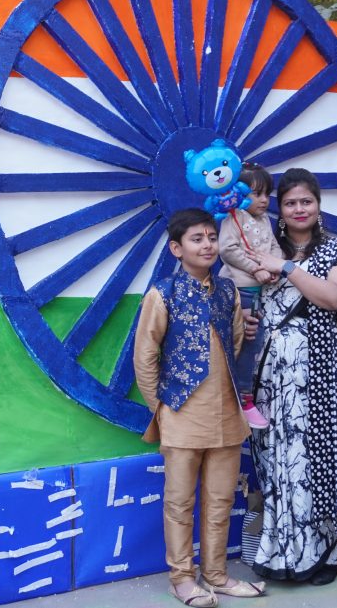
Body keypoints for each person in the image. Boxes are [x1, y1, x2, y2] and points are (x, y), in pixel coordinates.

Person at [247, 168, 337, 585]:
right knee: (276, 461)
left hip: (318, 376)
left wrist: (287, 267)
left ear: (318, 205)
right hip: (270, 375)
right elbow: (249, 297)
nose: (298, 209)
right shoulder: (263, 249)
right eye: (290, 203)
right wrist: (247, 320)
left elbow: (334, 297)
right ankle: (278, 553)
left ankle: (324, 552)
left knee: (315, 460)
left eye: (306, 201)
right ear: (280, 208)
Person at [133, 208, 266, 606]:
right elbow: (145, 357)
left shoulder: (228, 291)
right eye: (197, 239)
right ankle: (181, 579)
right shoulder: (162, 294)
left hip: (226, 413)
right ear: (177, 248)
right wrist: (162, 408)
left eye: (211, 237)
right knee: (179, 502)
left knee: (221, 499)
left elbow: (236, 343)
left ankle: (217, 575)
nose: (207, 245)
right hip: (180, 413)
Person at [218, 162, 279, 429]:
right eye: (256, 194)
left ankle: (241, 394)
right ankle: (243, 397)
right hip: (239, 291)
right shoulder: (234, 217)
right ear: (240, 193)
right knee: (247, 343)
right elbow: (227, 249)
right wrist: (256, 269)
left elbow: (274, 247)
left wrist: (275, 267)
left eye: (267, 194)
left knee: (255, 341)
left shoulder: (264, 220)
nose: (264, 200)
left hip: (257, 291)